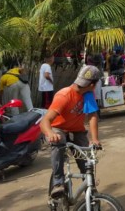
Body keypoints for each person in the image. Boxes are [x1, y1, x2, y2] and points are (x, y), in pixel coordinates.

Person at [40, 65, 101, 198]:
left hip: (77, 130)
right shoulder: (64, 95)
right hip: (59, 129)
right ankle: (58, 183)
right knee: (59, 141)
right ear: (92, 84)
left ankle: (90, 190)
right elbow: (45, 121)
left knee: (86, 160)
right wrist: (50, 134)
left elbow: (92, 116)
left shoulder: (88, 94)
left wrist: (95, 139)